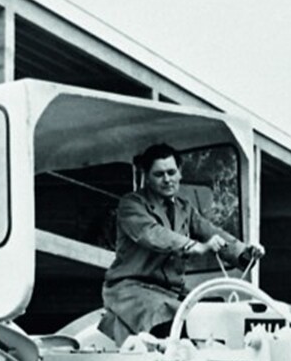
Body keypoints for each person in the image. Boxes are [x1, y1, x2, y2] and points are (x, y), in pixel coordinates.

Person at [99, 142, 265, 341]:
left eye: (171, 172)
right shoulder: (131, 204)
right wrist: (195, 247)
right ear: (147, 178)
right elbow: (152, 234)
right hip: (133, 290)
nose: (167, 179)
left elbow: (210, 231)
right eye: (159, 174)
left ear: (180, 173)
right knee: (173, 325)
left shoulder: (184, 208)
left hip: (170, 293)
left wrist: (244, 253)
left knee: (215, 316)